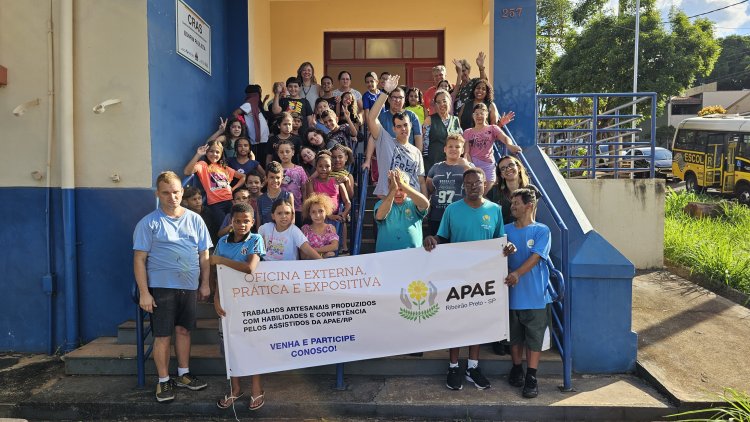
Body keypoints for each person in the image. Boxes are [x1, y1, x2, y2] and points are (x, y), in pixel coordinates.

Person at [423, 167, 516, 391]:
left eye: (478, 182)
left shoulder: (495, 210)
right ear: (463, 186)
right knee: (456, 322)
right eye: (469, 183)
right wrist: (431, 238)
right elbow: (442, 238)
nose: (473, 186)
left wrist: (508, 247)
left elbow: (499, 242)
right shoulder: (452, 210)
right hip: (456, 276)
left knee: (478, 323)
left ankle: (473, 367)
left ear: (485, 184)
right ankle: (453, 366)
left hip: (484, 278)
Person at [133, 171, 212, 402]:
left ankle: (183, 375)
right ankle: (164, 381)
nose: (172, 197)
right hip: (161, 288)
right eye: (166, 193)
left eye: (176, 192)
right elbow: (139, 259)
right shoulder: (148, 223)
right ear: (158, 194)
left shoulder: (195, 219)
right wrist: (144, 293)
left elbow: (204, 254)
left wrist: (205, 283)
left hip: (188, 287)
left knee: (184, 331)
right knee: (163, 335)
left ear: (182, 192)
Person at [211, 203, 266, 411]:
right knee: (230, 346)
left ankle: (256, 389)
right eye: (237, 221)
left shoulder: (255, 239)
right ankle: (235, 389)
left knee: (252, 343)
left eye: (246, 221)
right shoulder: (222, 242)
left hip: (250, 302)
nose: (242, 224)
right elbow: (219, 274)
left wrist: (220, 260)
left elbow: (249, 268)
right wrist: (216, 297)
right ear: (231, 222)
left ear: (252, 222)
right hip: (227, 302)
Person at [504, 187, 552, 399]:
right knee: (515, 338)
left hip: (535, 296)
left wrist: (516, 274)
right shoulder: (504, 230)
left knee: (533, 339)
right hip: (510, 296)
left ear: (529, 206)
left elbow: (536, 257)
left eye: (516, 203)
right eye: (512, 203)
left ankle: (531, 376)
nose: (512, 207)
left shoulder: (542, 230)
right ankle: (516, 368)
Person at [364, 75, 427, 198]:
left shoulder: (416, 152)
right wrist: (385, 91)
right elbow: (371, 118)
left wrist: (424, 203)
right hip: (389, 199)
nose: (403, 129)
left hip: (411, 202)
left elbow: (421, 182)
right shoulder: (386, 142)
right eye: (398, 126)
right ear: (393, 129)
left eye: (405, 125)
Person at [183, 140, 246, 230]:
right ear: (206, 152)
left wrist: (233, 189)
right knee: (224, 228)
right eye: (211, 151)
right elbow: (187, 171)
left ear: (221, 154)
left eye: (217, 152)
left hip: (229, 201)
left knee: (235, 226)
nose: (214, 154)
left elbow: (243, 177)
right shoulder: (203, 165)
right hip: (215, 204)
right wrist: (198, 154)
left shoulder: (224, 168)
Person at [463, 103, 522, 195]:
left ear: (486, 114)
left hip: (488, 165)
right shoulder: (468, 132)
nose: (479, 116)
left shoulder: (492, 128)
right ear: (473, 116)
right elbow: (466, 153)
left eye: (482, 113)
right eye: (477, 114)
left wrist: (510, 145)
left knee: (487, 194)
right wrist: (473, 167)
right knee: (476, 194)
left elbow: (505, 137)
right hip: (473, 164)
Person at [426, 134, 472, 236]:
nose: (453, 149)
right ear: (445, 149)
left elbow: (480, 182)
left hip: (460, 216)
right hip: (437, 216)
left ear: (463, 150)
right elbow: (429, 188)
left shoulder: (469, 167)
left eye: (457, 147)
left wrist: (466, 166)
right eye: (450, 146)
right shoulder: (436, 167)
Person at [374, 169, 429, 252]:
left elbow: (425, 204)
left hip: (412, 255)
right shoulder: (381, 203)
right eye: (395, 189)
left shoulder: (413, 203)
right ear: (389, 188)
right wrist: (393, 189)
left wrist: (402, 184)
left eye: (401, 189)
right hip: (385, 256)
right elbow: (379, 216)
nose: (398, 193)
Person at [258, 197, 322, 260]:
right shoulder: (266, 228)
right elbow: (257, 245)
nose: (283, 216)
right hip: (267, 266)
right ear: (273, 216)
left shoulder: (294, 231)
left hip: (289, 268)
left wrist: (322, 261)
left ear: (292, 216)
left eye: (287, 213)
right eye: (279, 213)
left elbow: (307, 249)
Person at [305, 150, 351, 227]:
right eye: (320, 166)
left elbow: (347, 202)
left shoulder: (337, 182)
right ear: (316, 167)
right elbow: (312, 203)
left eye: (327, 166)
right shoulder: (311, 183)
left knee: (343, 225)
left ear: (332, 167)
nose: (324, 169)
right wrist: (329, 216)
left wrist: (344, 214)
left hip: (336, 218)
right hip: (317, 218)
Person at [423, 89, 463, 172]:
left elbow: (461, 141)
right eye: (438, 102)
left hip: (452, 163)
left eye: (444, 101)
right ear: (435, 105)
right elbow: (424, 145)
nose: (442, 104)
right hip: (433, 163)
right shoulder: (429, 120)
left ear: (449, 101)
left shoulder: (456, 120)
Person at [233, 85, 270, 165]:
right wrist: (243, 124)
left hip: (263, 138)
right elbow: (235, 113)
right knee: (257, 161)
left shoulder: (255, 104)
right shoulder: (249, 103)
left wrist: (264, 101)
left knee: (263, 160)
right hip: (256, 141)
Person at [489, 155, 532, 224]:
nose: (508, 169)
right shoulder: (494, 191)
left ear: (518, 168)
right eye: (503, 168)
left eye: (511, 165)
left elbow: (532, 216)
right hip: (501, 232)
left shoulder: (531, 190)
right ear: (501, 175)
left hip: (524, 231)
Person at [277, 140, 308, 225]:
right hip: (279, 208)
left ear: (293, 152)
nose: (285, 154)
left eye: (287, 151)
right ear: (278, 154)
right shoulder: (275, 170)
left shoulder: (299, 169)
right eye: (281, 152)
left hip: (298, 208)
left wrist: (304, 206)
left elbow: (304, 189)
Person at [301, 193, 340, 258]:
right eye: (313, 212)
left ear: (326, 211)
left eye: (321, 211)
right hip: (310, 265)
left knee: (331, 254)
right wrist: (323, 254)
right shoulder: (305, 229)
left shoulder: (330, 228)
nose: (317, 215)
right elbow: (303, 255)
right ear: (309, 214)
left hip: (326, 266)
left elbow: (334, 246)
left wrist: (312, 250)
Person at [257, 161, 293, 226]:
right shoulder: (260, 199)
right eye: (272, 177)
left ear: (282, 178)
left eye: (278, 177)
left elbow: (292, 220)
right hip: (266, 235)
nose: (275, 180)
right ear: (266, 178)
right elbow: (259, 223)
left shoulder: (288, 196)